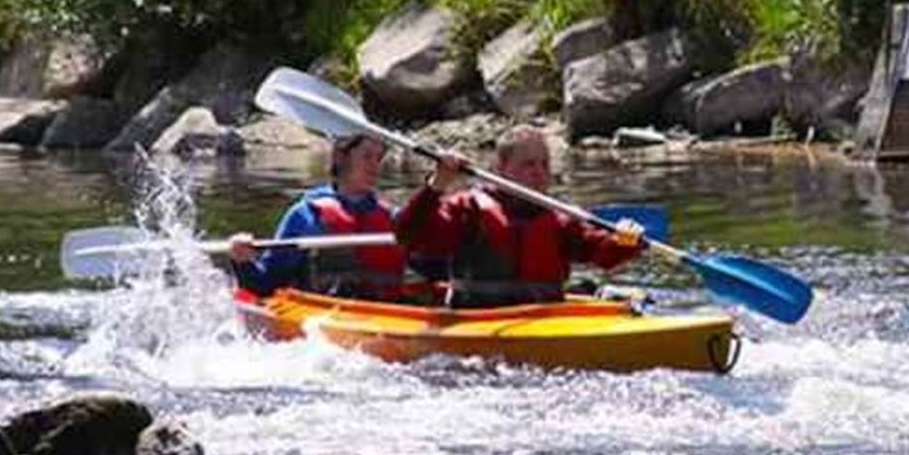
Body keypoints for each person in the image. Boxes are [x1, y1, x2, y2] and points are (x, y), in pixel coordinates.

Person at [394, 125, 646, 307]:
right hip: (481, 319)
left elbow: (601, 254)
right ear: (501, 169)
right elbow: (408, 234)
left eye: (544, 164)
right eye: (528, 164)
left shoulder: (560, 217)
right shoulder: (468, 208)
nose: (539, 173)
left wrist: (626, 240)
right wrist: (437, 185)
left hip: (546, 321)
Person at [229, 133, 407, 300]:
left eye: (379, 158)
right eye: (367, 156)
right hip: (323, 314)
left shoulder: (394, 217)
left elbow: (428, 263)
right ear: (340, 157)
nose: (375, 166)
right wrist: (242, 261)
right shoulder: (306, 216)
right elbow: (266, 284)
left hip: (388, 313)